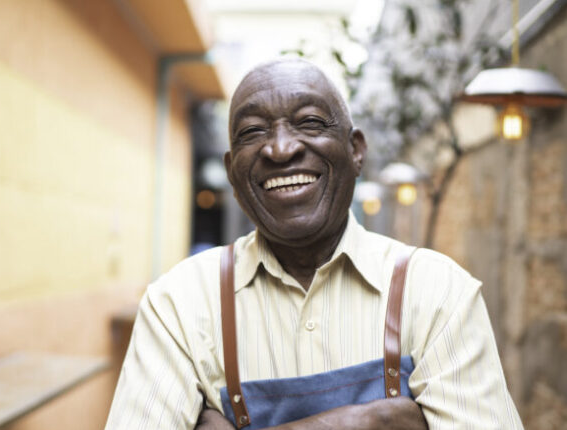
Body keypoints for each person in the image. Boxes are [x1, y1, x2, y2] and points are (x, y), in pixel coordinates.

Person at [105, 59, 523, 429]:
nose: (281, 149)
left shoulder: (437, 291)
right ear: (233, 172)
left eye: (309, 122)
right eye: (252, 131)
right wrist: (376, 421)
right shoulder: (178, 304)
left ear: (356, 151)